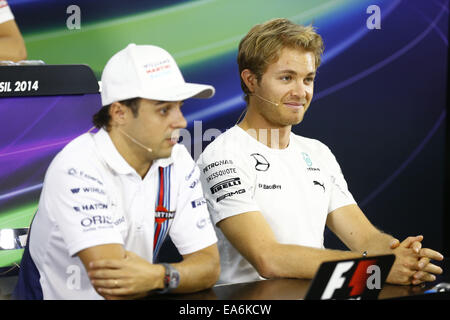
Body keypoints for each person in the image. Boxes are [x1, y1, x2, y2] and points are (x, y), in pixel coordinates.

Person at [196, 18, 444, 286]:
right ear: (251, 81)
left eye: (308, 79)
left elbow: (364, 239)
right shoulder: (222, 156)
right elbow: (269, 258)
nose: (300, 92)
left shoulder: (317, 152)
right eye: (287, 78)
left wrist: (403, 257)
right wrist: (376, 270)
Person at [13, 43, 220, 299]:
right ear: (119, 112)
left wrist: (157, 276)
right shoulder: (76, 167)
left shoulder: (177, 159)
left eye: (179, 106)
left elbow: (209, 266)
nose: (180, 121)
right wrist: (175, 275)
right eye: (164, 109)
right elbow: (114, 285)